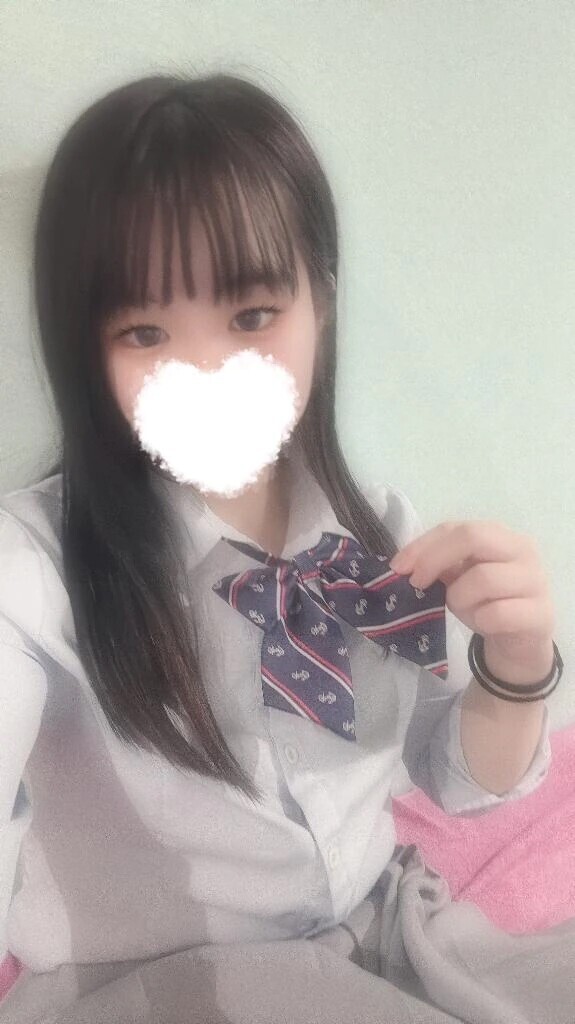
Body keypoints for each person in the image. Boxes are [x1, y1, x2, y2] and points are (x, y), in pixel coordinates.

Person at [0, 71, 571, 1024]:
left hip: (387, 937)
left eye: (252, 317)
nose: (207, 371)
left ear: (322, 301)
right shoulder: (28, 574)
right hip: (159, 988)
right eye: (144, 331)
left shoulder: (381, 533)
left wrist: (515, 664)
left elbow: (457, 782)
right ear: (85, 351)